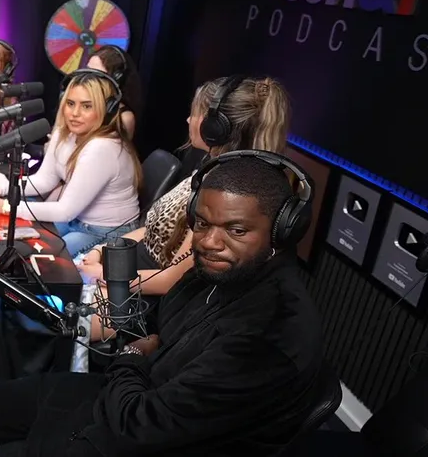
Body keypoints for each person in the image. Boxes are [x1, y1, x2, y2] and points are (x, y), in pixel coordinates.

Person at [0, 153, 324, 457]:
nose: (209, 242)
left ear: (282, 231)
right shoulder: (218, 273)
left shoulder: (268, 334)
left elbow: (138, 428)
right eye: (201, 224)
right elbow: (154, 331)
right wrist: (117, 335)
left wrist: (130, 358)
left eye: (236, 230)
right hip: (127, 403)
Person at [79, 75, 292, 297]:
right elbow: (151, 231)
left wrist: (105, 276)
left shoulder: (223, 195)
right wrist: (102, 250)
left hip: (144, 290)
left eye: (196, 113)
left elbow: (173, 280)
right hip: (129, 269)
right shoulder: (207, 169)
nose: (189, 120)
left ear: (215, 128)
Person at [0, 70, 140, 257]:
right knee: (16, 241)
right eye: (70, 103)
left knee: (42, 259)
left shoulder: (102, 147)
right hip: (76, 219)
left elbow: (64, 211)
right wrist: (1, 189)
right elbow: (45, 180)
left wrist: (4, 206)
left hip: (105, 232)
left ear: (106, 110)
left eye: (86, 106)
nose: (75, 113)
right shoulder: (65, 133)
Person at [84, 45, 142, 140]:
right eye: (87, 71)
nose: (87, 78)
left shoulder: (124, 118)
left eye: (97, 74)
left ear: (116, 79)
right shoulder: (75, 102)